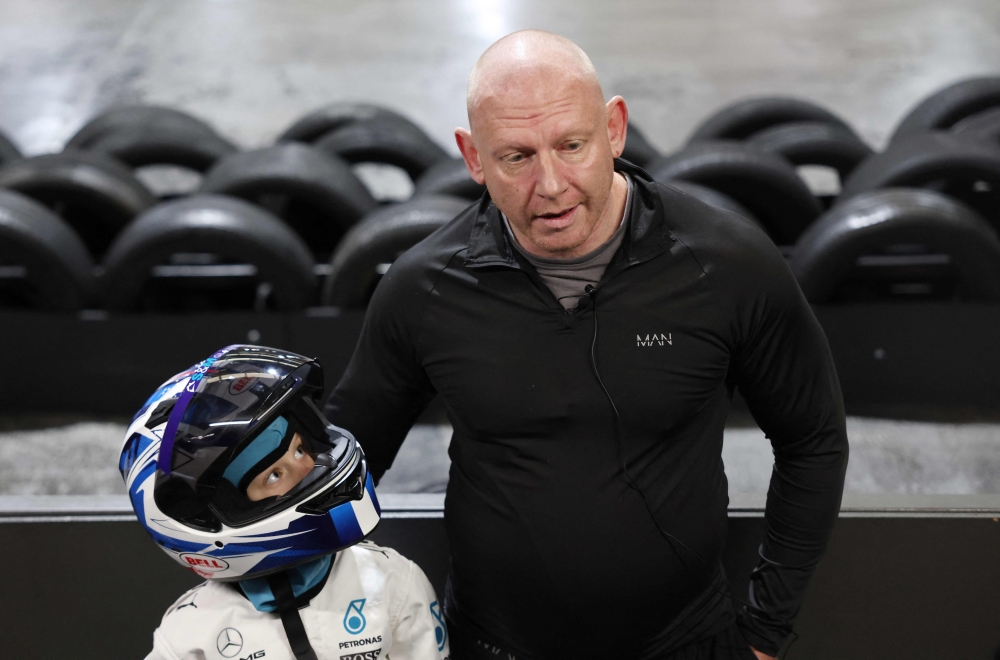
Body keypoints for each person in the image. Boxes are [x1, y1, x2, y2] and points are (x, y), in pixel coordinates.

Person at [325, 30, 848, 660]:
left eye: (571, 145)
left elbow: (812, 439)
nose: (549, 184)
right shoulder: (425, 288)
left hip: (686, 643)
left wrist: (766, 631)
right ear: (472, 157)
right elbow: (344, 466)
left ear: (614, 128)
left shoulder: (726, 264)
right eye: (515, 157)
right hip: (492, 645)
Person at [120, 345, 450, 660]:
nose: (306, 470)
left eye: (300, 450)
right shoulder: (190, 636)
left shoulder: (393, 582)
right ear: (204, 519)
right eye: (273, 475)